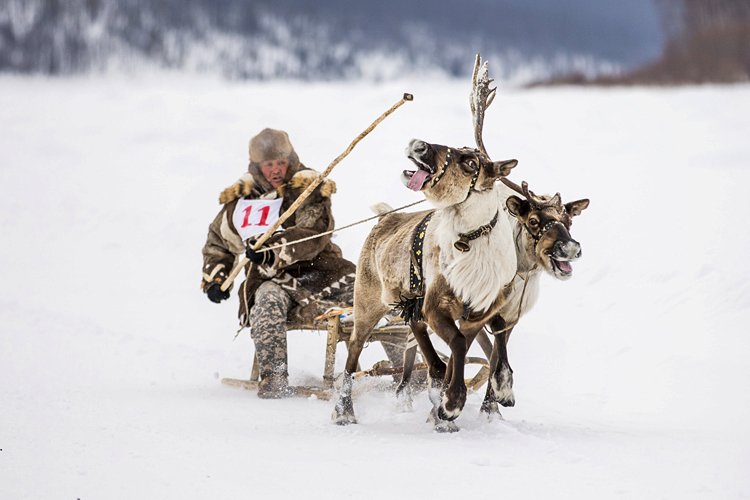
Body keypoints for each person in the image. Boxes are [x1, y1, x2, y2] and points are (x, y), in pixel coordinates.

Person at [201, 128, 357, 398]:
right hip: (269, 279)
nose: (276, 170)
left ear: (291, 160)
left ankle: (409, 368)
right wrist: (217, 277)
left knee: (370, 293)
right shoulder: (242, 199)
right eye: (269, 165)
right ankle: (274, 377)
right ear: (258, 166)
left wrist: (272, 249)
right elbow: (219, 242)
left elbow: (313, 235)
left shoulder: (308, 187)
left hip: (323, 271)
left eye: (280, 163)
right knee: (267, 300)